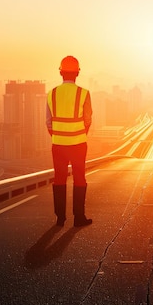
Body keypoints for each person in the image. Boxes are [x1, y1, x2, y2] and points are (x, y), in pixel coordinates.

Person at [46, 55, 93, 227]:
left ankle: (60, 218)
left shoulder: (52, 94)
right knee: (79, 178)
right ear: (77, 73)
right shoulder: (84, 93)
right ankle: (79, 217)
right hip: (79, 144)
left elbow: (48, 122)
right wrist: (79, 133)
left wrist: (58, 135)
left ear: (61, 73)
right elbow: (87, 120)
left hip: (58, 144)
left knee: (59, 179)